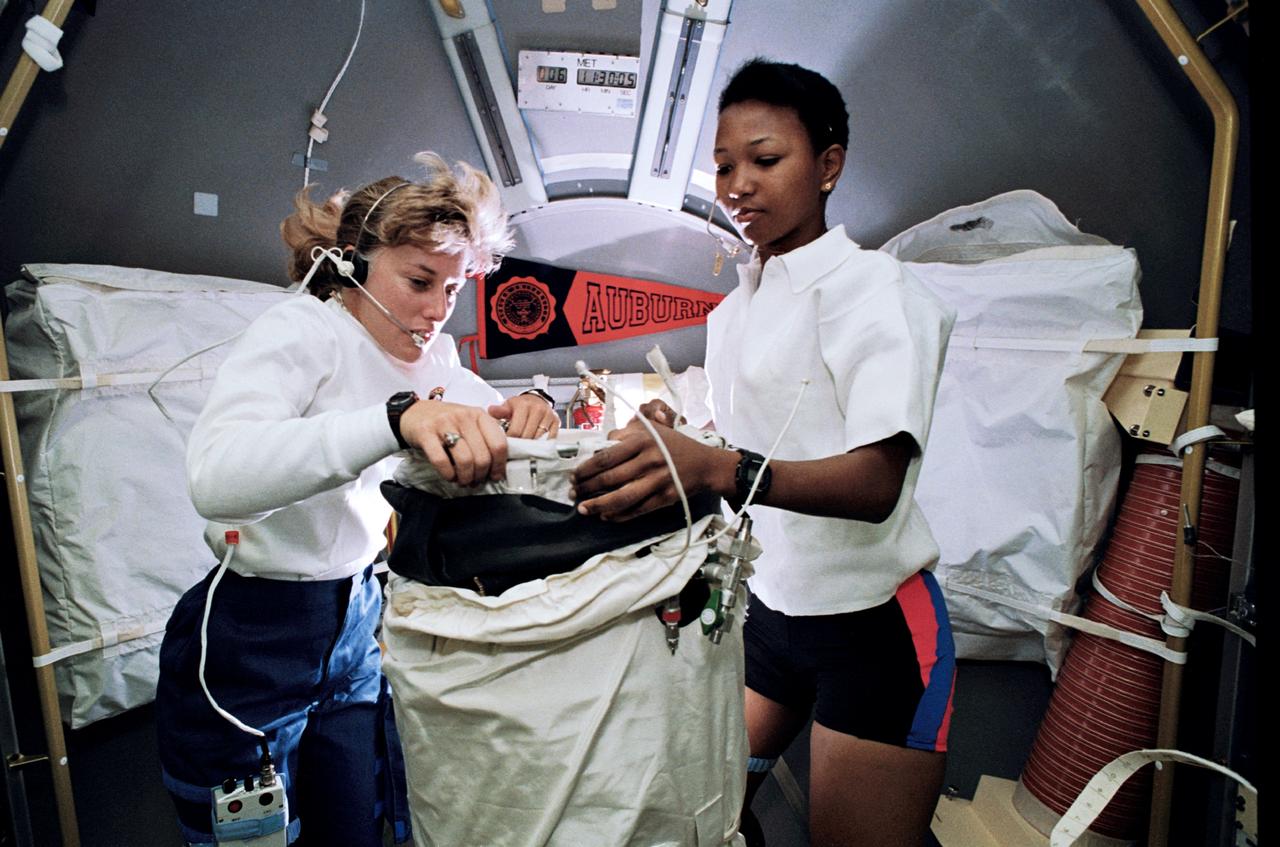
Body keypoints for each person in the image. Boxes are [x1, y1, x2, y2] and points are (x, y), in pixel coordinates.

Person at [572, 60, 957, 847]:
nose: (738, 182)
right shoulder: (735, 310)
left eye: (765, 158)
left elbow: (878, 480)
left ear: (828, 166)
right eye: (723, 165)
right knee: (691, 813)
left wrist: (719, 466)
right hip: (771, 617)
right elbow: (751, 444)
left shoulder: (874, 290)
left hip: (873, 627)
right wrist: (683, 434)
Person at [154, 152, 559, 847]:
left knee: (356, 828)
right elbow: (214, 478)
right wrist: (390, 421)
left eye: (454, 288)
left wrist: (532, 405)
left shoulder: (432, 359)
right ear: (353, 262)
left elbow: (489, 418)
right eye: (419, 281)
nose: (436, 310)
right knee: (256, 838)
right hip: (254, 628)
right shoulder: (302, 333)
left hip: (356, 628)